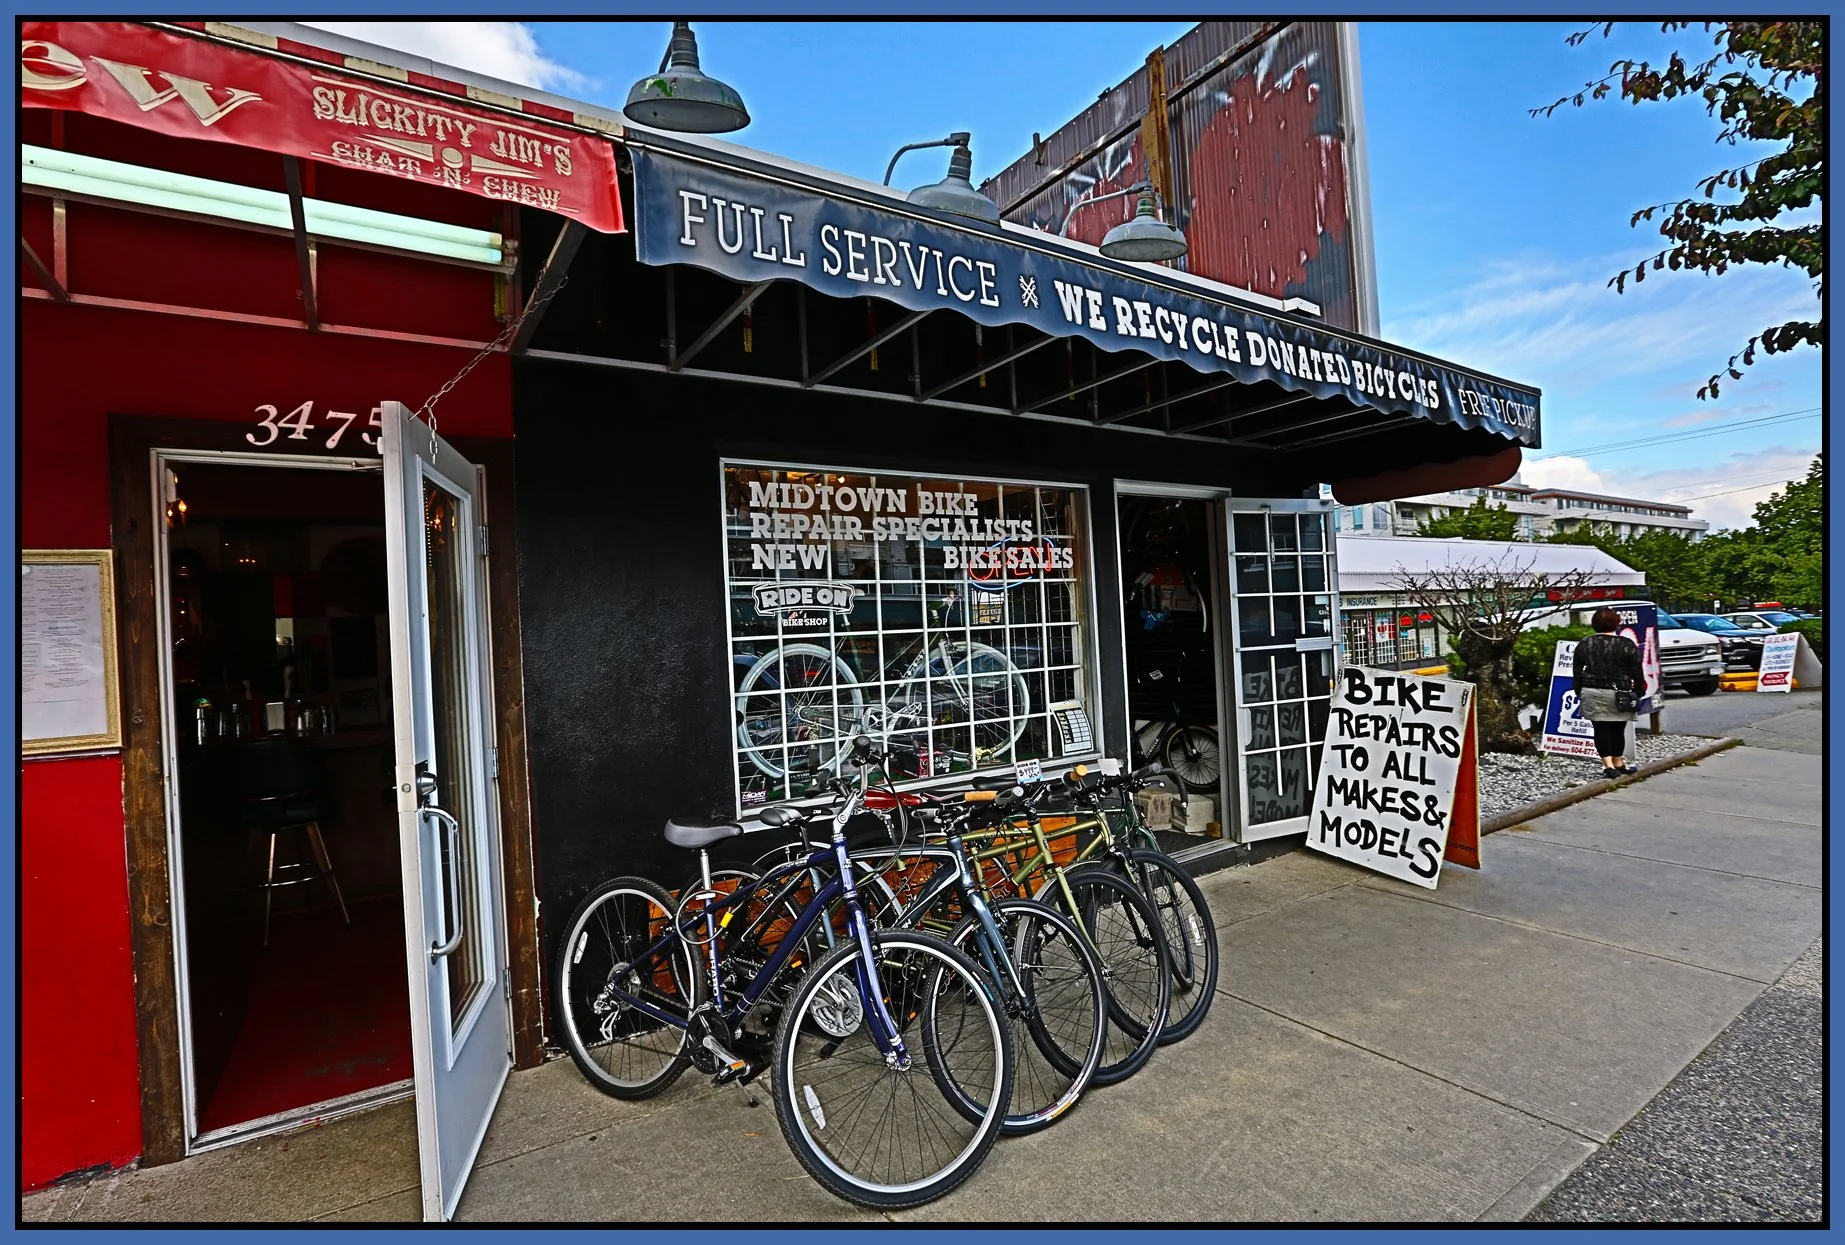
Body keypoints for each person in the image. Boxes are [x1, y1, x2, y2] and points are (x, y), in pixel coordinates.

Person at [1572, 608, 1643, 778]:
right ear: (1617, 623)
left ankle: (1608, 765)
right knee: (1618, 729)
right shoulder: (1626, 644)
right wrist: (1639, 690)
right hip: (1619, 691)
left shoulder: (1585, 643)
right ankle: (1619, 762)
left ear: (1594, 624)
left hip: (1592, 690)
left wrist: (1579, 689)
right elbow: (1636, 670)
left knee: (1600, 729)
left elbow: (1577, 670)